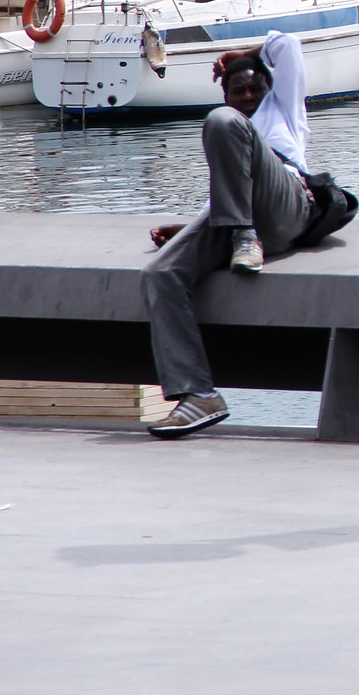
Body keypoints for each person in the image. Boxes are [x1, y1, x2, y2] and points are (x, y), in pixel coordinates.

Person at [142, 30, 315, 440]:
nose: (250, 95)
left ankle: (243, 236)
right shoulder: (227, 124)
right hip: (242, 220)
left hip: (287, 206)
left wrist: (244, 53)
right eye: (240, 90)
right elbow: (229, 188)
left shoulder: (283, 110)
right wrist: (189, 229)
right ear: (227, 92)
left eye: (257, 88)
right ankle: (198, 395)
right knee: (161, 274)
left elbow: (287, 44)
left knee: (223, 124)